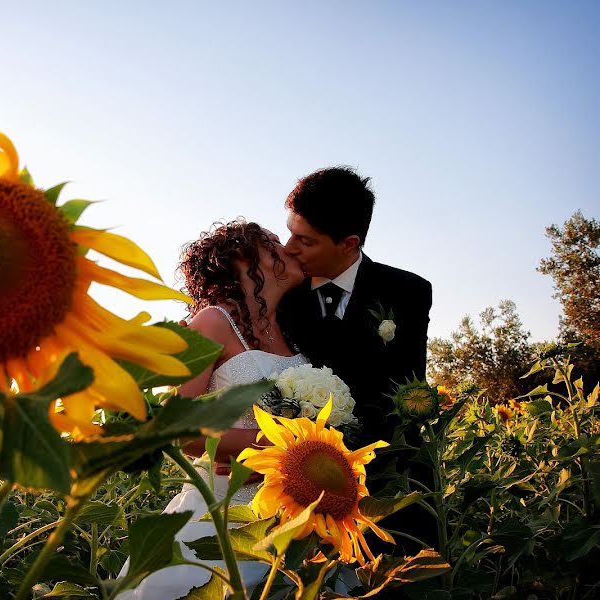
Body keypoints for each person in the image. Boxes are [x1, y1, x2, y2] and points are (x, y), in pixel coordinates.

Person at [117, 219, 308, 599]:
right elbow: (179, 428)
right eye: (271, 243)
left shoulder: (293, 328)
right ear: (241, 258)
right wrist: (283, 446)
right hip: (223, 509)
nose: (286, 248)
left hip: (290, 510)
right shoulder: (212, 322)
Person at [275, 166, 435, 552]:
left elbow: (403, 387)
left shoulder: (408, 291)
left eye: (305, 240)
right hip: (298, 481)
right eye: (290, 232)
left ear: (349, 243)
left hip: (389, 478)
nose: (288, 248)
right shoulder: (280, 296)